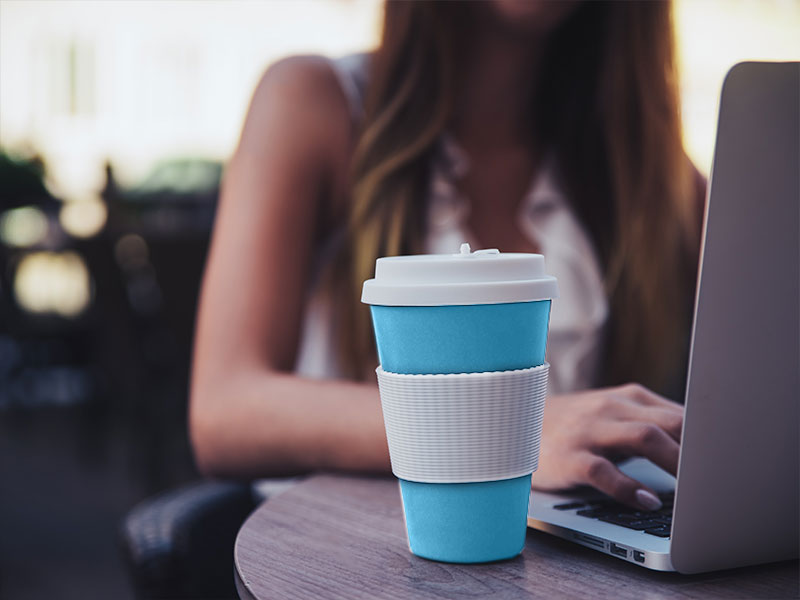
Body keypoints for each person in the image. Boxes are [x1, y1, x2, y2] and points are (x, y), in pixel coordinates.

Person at [189, 0, 704, 513]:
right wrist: (509, 426)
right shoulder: (314, 101)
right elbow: (224, 409)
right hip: (344, 552)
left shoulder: (646, 164)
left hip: (553, 556)